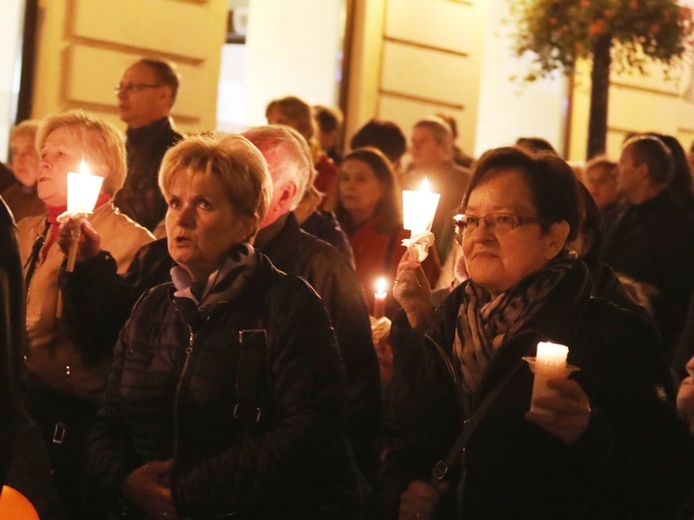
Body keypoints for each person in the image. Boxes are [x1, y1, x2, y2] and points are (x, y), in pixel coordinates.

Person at [376, 146, 694, 519]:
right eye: (471, 221)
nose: (481, 235)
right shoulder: (442, 320)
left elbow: (666, 475)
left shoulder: (611, 331)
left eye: (504, 219)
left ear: (554, 237)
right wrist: (401, 490)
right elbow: (399, 437)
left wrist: (589, 432)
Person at [57, 125, 382, 488]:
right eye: (175, 202)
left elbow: (311, 425)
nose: (183, 219)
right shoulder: (153, 303)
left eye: (204, 204)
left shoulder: (291, 301)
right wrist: (125, 480)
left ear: (247, 222)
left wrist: (190, 491)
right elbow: (112, 417)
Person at [16, 110, 153, 519]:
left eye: (60, 154)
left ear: (98, 168)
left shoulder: (133, 243)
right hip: (19, 403)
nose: (45, 161)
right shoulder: (24, 230)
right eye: (44, 152)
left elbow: (110, 330)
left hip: (74, 417)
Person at [601, 135, 694, 365]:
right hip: (604, 334)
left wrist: (635, 291)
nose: (616, 171)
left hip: (643, 349)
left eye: (622, 163)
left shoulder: (681, 227)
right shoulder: (616, 215)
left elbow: (678, 299)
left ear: (642, 170)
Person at [336, 147, 440, 318]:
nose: (350, 186)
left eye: (361, 179)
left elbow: (431, 293)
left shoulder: (407, 237)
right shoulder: (331, 231)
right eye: (345, 178)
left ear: (384, 187)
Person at [113, 58, 183, 234]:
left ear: (163, 95)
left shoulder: (178, 153)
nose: (121, 94)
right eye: (120, 87)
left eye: (133, 87)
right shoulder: (116, 147)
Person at [401, 116, 471, 263]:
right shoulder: (404, 180)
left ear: (443, 146)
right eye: (413, 141)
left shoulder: (463, 181)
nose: (415, 146)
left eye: (423, 141)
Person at [266, 95, 339, 211]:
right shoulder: (266, 162)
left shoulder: (326, 171)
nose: (273, 128)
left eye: (281, 122)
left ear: (304, 127)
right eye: (270, 122)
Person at [2, 119, 45, 221]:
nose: (19, 160)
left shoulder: (54, 199)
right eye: (16, 152)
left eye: (28, 152)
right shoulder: (8, 198)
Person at [582, 156, 622, 234]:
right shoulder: (583, 215)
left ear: (617, 184)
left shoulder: (619, 219)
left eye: (602, 181)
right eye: (591, 180)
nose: (594, 186)